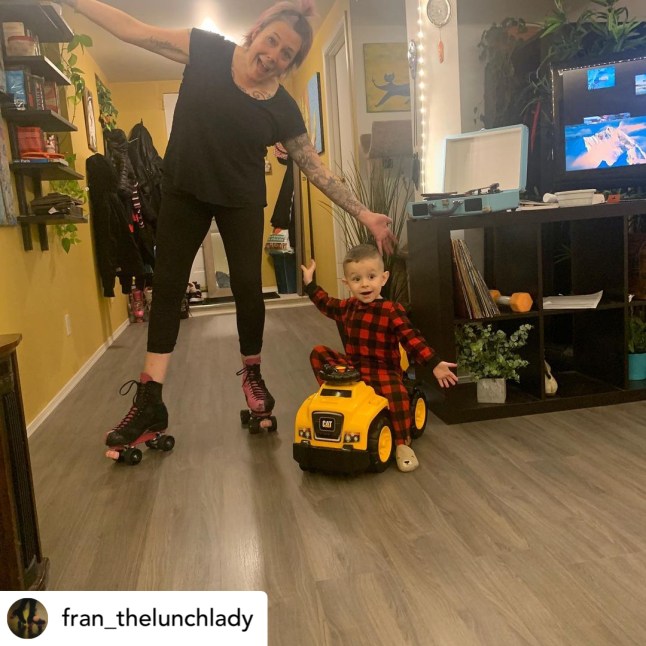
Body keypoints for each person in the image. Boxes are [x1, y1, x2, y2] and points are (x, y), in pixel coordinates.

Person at [55, 0, 397, 442]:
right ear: (256, 30)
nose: (274, 55)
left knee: (247, 285)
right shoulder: (206, 50)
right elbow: (135, 30)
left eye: (287, 54)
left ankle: (252, 374)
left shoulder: (284, 110)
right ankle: (150, 399)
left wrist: (364, 212)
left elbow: (315, 168)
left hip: (239, 200)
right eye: (273, 40)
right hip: (182, 190)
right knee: (169, 284)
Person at [301, 244, 458, 472]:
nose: (365, 284)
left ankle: (402, 444)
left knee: (398, 395)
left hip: (384, 371)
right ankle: (336, 395)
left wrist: (433, 363)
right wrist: (310, 284)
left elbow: (411, 338)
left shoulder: (390, 310)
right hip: (354, 370)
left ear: (383, 278)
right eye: (356, 279)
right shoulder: (347, 307)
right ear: (347, 283)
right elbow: (326, 303)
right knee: (318, 352)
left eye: (371, 277)